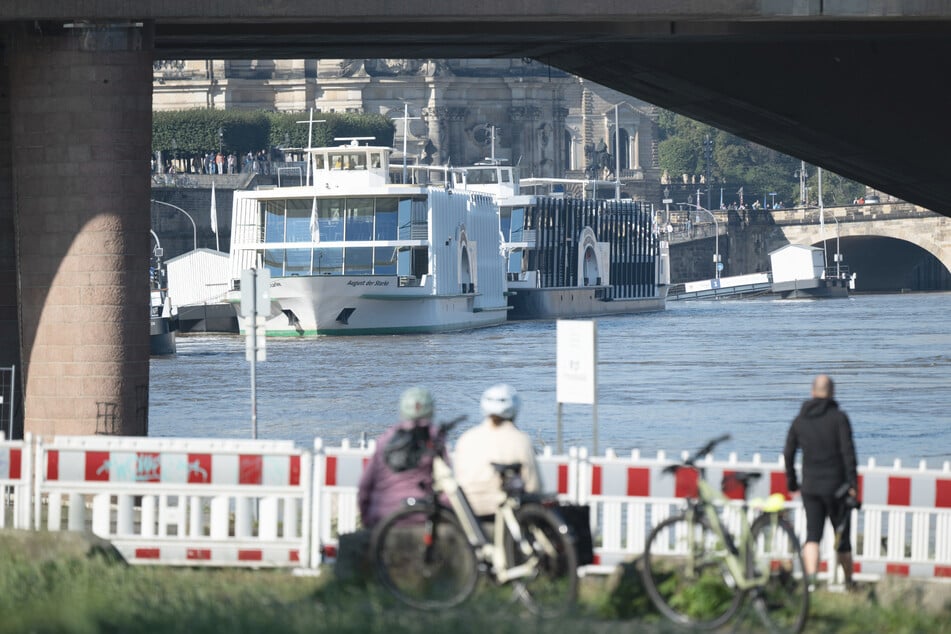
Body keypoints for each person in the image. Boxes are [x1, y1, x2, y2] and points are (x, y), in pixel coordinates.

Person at [783, 374, 858, 591]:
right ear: (832, 393)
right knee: (842, 537)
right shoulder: (839, 418)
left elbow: (788, 453)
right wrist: (853, 483)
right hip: (837, 488)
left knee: (812, 536)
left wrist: (792, 482)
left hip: (811, 487)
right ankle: (849, 583)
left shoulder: (800, 420)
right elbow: (848, 453)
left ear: (812, 392)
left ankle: (812, 583)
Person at [453, 384, 541, 518]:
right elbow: (533, 486)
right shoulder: (521, 440)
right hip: (503, 514)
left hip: (467, 514)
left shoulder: (466, 438)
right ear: (515, 410)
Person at [357, 387, 440, 529]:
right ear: (431, 410)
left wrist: (367, 520)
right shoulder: (434, 438)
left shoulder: (385, 439)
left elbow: (365, 487)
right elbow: (447, 484)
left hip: (383, 518)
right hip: (421, 517)